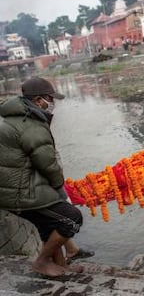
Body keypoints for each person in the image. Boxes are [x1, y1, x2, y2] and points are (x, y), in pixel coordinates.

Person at [0, 77, 92, 277]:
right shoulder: (30, 125)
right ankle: (41, 262)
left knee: (49, 225)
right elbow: (47, 163)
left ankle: (62, 267)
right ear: (39, 100)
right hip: (18, 193)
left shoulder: (19, 117)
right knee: (71, 217)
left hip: (16, 187)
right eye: (50, 99)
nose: (53, 103)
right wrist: (60, 189)